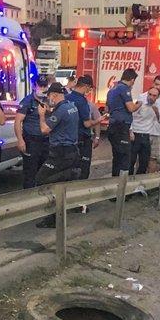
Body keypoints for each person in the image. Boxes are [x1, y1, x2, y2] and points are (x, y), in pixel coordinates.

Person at [34, 81, 82, 228]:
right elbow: (62, 122)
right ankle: (55, 217)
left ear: (54, 95)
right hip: (71, 150)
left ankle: (70, 174)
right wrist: (50, 112)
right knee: (57, 186)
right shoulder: (71, 106)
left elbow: (45, 130)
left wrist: (42, 115)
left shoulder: (60, 110)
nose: (49, 100)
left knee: (41, 179)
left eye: (50, 97)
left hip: (60, 152)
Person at [14, 73, 51, 188]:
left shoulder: (48, 101)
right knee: (30, 173)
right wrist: (20, 140)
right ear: (34, 86)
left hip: (45, 141)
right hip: (31, 141)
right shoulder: (27, 101)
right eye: (40, 86)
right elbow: (17, 122)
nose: (43, 89)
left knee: (44, 173)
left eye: (45, 86)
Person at [105, 68, 142, 176]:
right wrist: (139, 104)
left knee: (117, 157)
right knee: (125, 157)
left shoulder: (112, 89)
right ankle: (122, 185)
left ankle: (115, 180)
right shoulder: (124, 89)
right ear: (132, 80)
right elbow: (131, 108)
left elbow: (107, 109)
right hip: (121, 127)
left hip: (113, 125)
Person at [66, 75, 99, 181]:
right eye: (90, 88)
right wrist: (98, 120)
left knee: (70, 169)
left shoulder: (66, 98)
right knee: (83, 170)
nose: (90, 90)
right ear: (85, 86)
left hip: (68, 139)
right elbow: (87, 124)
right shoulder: (82, 101)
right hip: (82, 140)